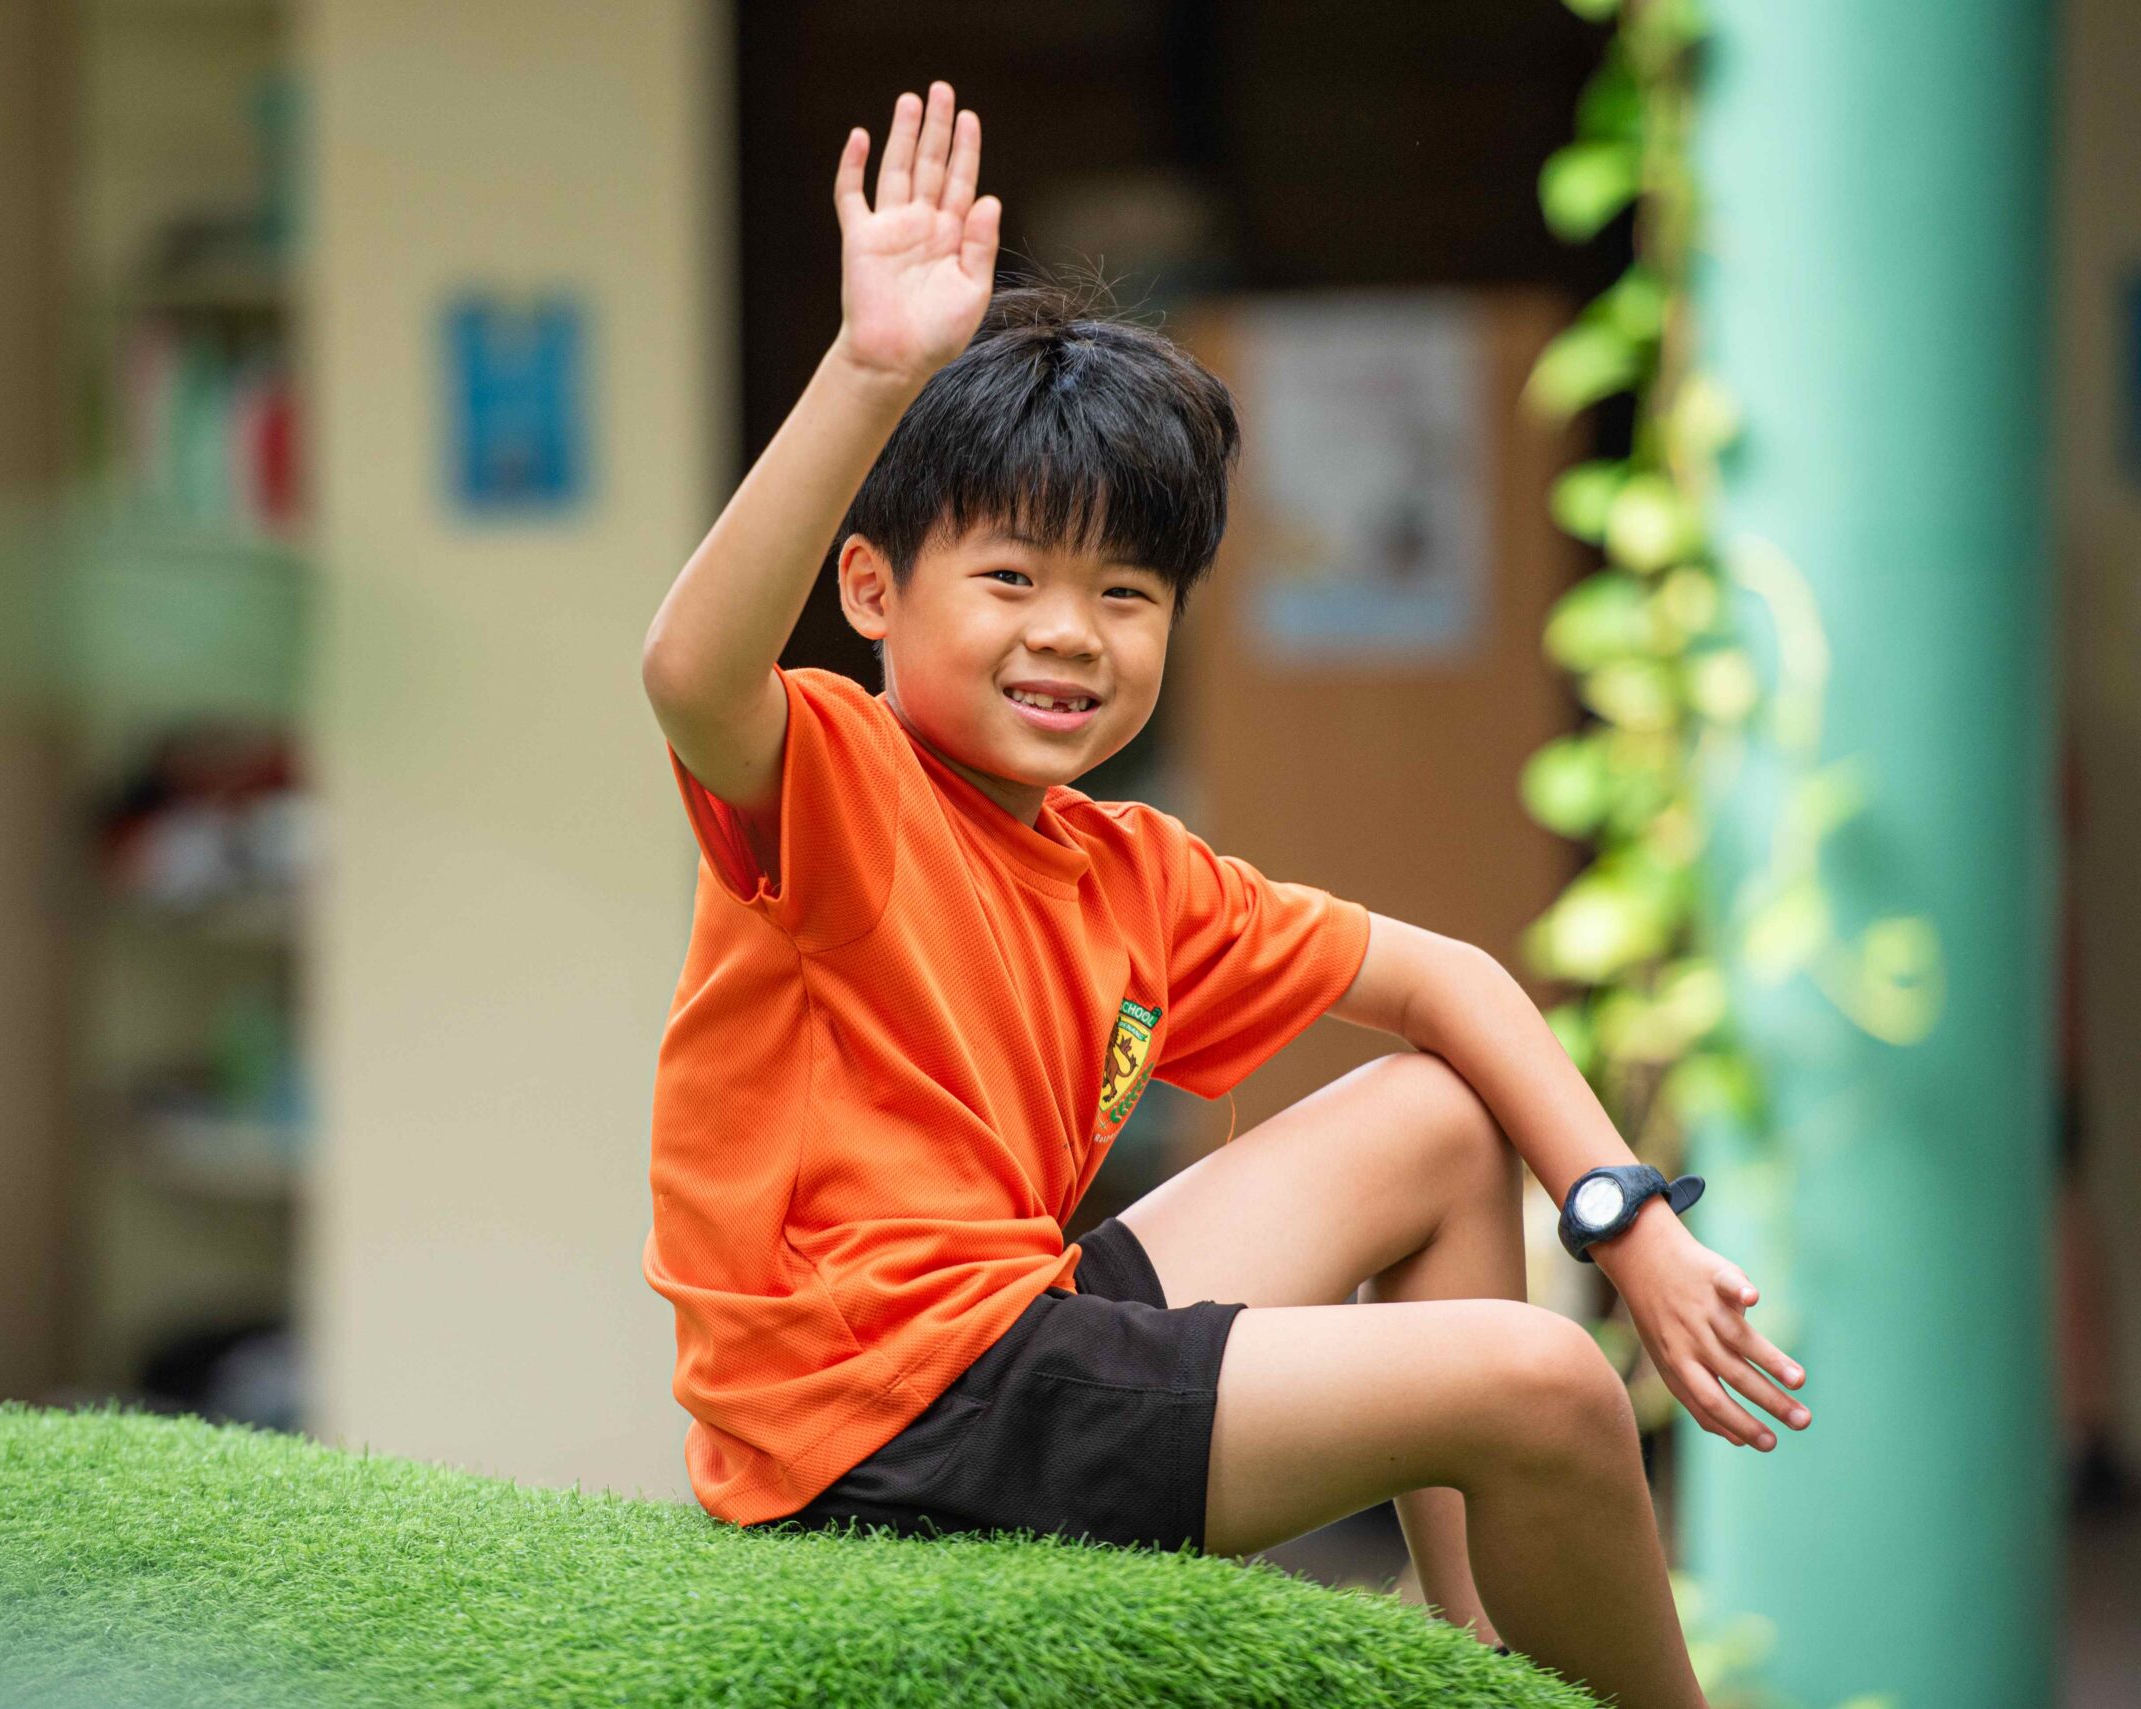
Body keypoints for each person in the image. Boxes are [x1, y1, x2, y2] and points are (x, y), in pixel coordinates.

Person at [639, 82, 1806, 1709]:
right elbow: (693, 670)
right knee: (1541, 1378)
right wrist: (873, 366)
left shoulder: (1125, 864)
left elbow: (1448, 978)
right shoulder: (840, 775)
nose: (1071, 632)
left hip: (1011, 1334)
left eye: (1125, 591)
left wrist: (1625, 1214)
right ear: (871, 593)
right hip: (887, 1425)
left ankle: (1460, 1642)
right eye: (1011, 578)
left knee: (1437, 1113)